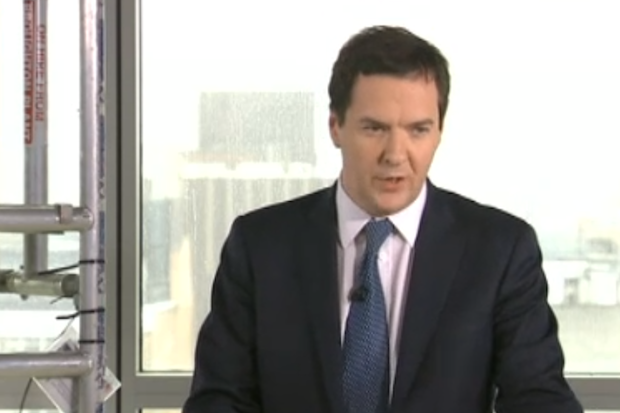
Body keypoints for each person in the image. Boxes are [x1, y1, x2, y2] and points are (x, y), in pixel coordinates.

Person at [183, 25, 583, 413]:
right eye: (374, 128)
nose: (395, 154)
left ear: (439, 131)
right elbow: (218, 400)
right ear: (336, 126)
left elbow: (538, 398)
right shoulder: (260, 247)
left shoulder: (499, 251)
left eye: (418, 130)